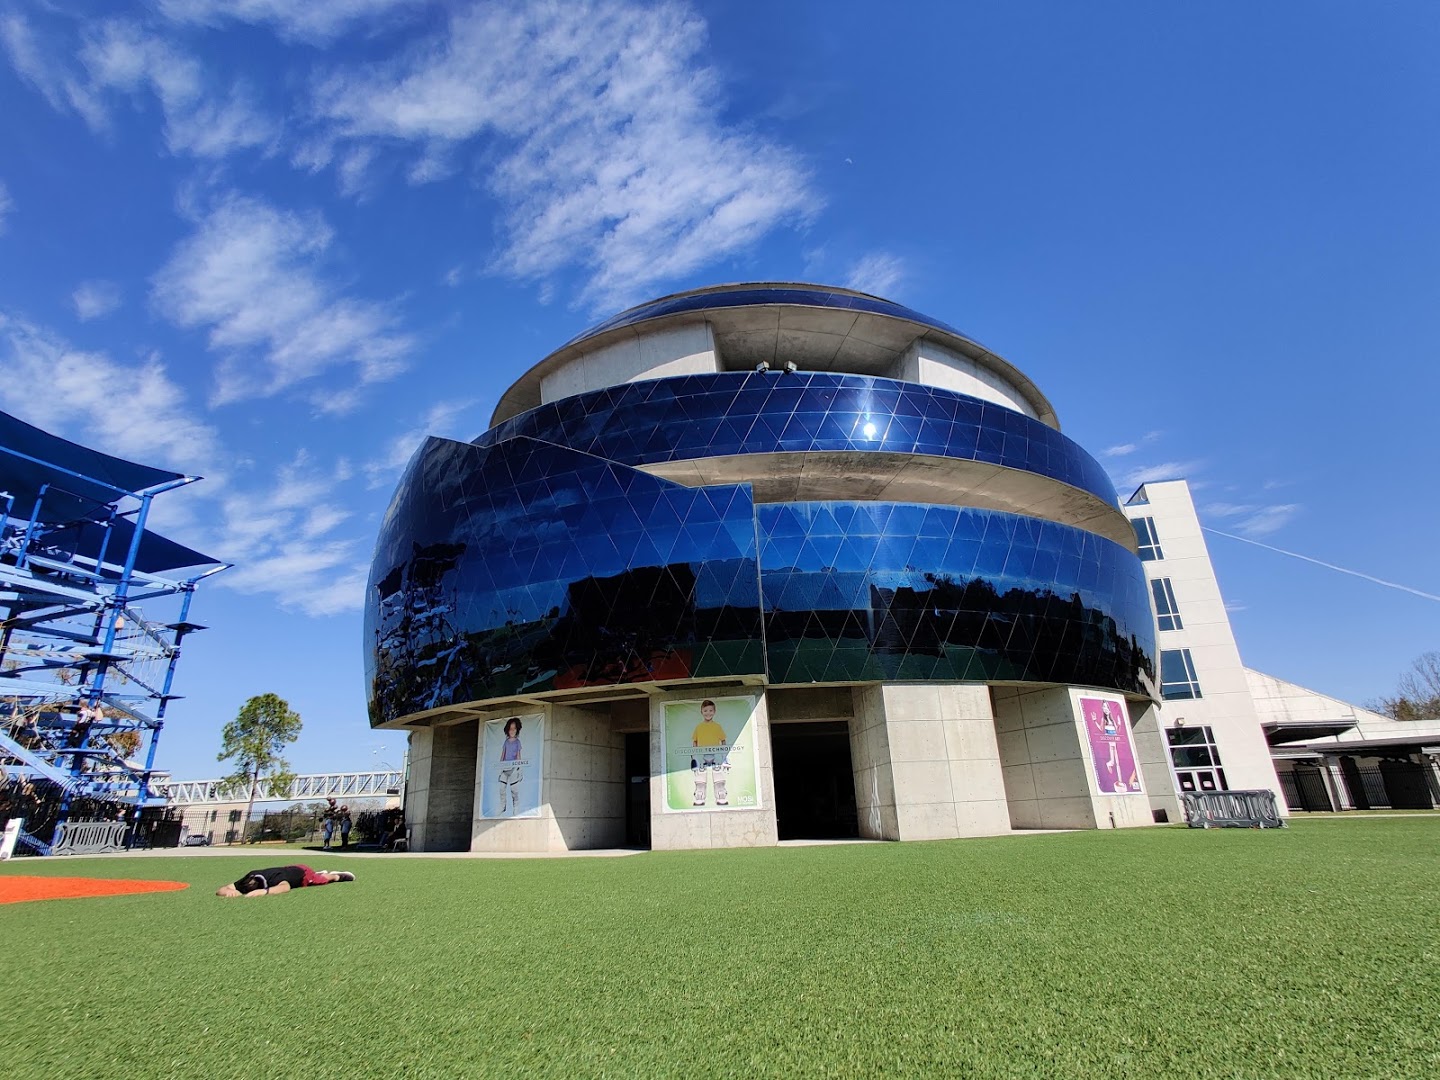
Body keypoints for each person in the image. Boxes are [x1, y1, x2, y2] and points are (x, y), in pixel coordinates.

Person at [215, 865, 354, 898]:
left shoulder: (274, 879)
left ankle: (336, 876)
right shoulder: (249, 877)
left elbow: (285, 887)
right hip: (289, 869)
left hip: (303, 873)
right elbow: (223, 888)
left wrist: (264, 892)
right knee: (317, 877)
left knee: (320, 880)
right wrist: (227, 892)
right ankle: (320, 873)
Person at [690, 699, 729, 807]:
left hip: (715, 754)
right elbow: (695, 741)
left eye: (711, 710)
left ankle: (721, 796)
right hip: (701, 754)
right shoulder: (699, 727)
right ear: (701, 712)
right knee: (700, 777)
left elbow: (723, 741)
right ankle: (699, 796)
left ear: (714, 711)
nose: (708, 713)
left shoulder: (717, 726)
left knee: (718, 775)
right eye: (705, 710)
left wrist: (724, 755)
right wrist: (694, 756)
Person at [497, 717, 523, 814]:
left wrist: (519, 768)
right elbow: (503, 754)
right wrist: (500, 767)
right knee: (502, 788)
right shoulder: (506, 742)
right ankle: (502, 806)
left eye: (514, 729)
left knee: (514, 790)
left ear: (517, 730)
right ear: (507, 730)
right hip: (504, 768)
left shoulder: (517, 742)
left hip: (513, 768)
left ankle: (516, 806)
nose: (512, 731)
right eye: (510, 729)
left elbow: (518, 755)